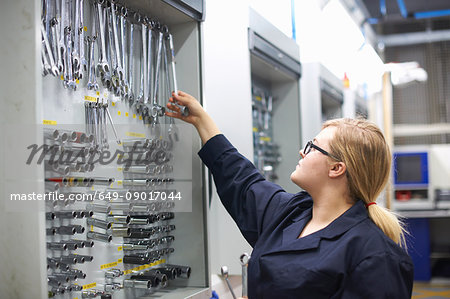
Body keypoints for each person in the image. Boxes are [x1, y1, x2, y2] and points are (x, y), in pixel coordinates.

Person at [166, 91, 414, 298]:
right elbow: (242, 180)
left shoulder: (376, 257)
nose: (301, 152)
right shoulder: (291, 213)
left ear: (337, 168)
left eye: (312, 147)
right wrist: (202, 120)